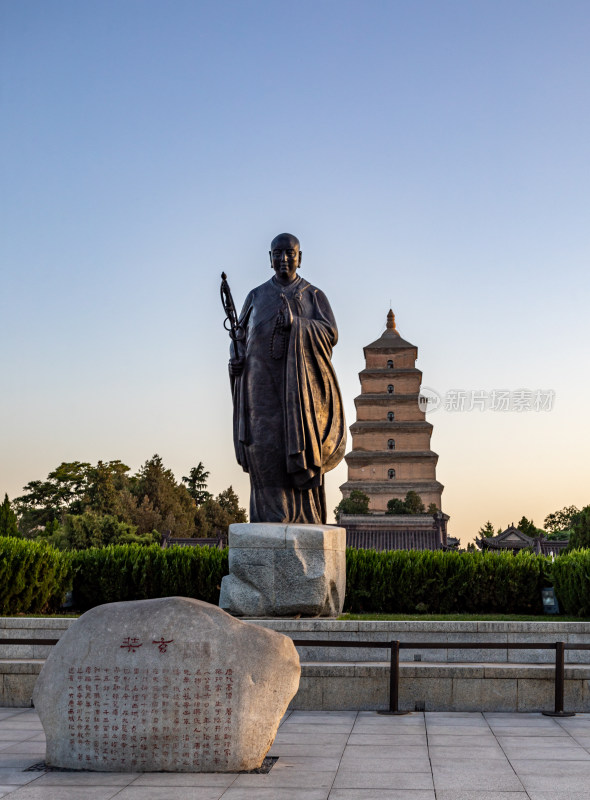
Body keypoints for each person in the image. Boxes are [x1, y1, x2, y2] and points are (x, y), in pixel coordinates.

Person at [228, 233, 346, 524]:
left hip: (298, 392)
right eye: (277, 253)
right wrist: (236, 357)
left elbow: (330, 334)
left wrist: (297, 325)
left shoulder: (312, 295)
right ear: (269, 259)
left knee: (297, 449)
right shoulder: (255, 297)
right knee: (264, 450)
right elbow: (240, 336)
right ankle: (268, 522)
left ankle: (302, 520)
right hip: (260, 389)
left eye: (290, 253)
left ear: (300, 257)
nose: (284, 259)